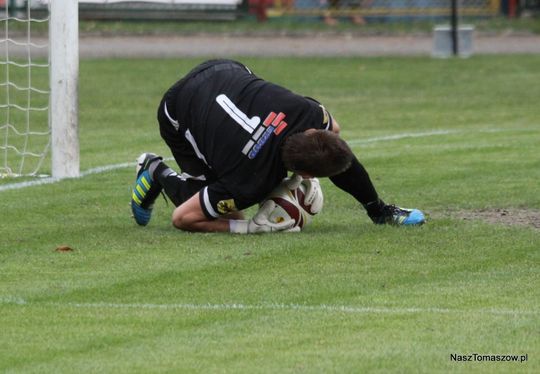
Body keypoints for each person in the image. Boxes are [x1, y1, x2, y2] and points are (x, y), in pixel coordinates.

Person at [130, 59, 425, 233]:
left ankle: (380, 212)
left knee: (333, 151)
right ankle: (155, 170)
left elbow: (333, 132)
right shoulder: (248, 183)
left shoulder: (303, 113)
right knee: (223, 212)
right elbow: (182, 219)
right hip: (179, 109)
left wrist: (294, 179)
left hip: (222, 68)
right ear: (306, 174)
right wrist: (253, 229)